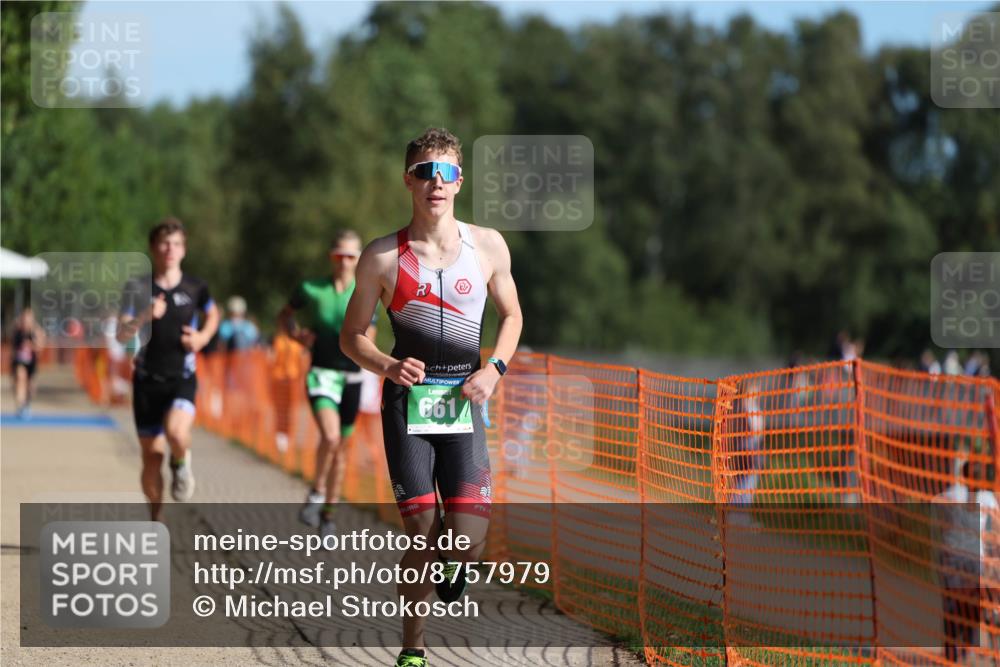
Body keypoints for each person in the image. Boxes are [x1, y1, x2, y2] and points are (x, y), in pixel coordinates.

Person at [340, 127, 523, 667]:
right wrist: (389, 365)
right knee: (421, 531)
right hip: (408, 405)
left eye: (444, 173)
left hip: (466, 401)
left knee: (465, 542)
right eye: (424, 172)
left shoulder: (487, 245)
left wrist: (495, 369)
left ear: (459, 181)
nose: (434, 183)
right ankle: (413, 649)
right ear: (408, 181)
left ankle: (449, 553)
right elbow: (351, 338)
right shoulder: (381, 256)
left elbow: (512, 316)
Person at [117, 218, 219, 521]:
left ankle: (181, 462)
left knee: (176, 432)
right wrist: (145, 317)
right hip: (147, 380)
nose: (169, 249)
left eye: (175, 243)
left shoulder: (196, 287)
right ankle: (155, 522)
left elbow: (213, 315)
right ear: (153, 248)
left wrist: (202, 337)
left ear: (184, 249)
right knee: (151, 458)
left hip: (182, 378)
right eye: (164, 243)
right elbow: (122, 334)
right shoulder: (136, 287)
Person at [279, 230, 376, 537]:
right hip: (321, 373)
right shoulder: (311, 288)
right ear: (330, 257)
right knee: (331, 438)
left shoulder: (365, 291)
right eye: (339, 255)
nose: (344, 261)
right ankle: (317, 492)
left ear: (359, 259)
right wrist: (296, 335)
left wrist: (371, 357)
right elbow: (285, 315)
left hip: (352, 377)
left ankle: (329, 514)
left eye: (350, 256)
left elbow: (369, 335)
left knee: (341, 450)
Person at [933, 459, 998, 661]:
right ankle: (965, 651)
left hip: (951, 557)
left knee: (951, 607)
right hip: (974, 560)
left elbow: (936, 504)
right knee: (972, 608)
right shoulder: (988, 499)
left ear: (962, 475)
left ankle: (951, 654)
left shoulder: (951, 494)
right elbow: (996, 526)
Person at [10, 307, 45, 418]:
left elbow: (40, 348)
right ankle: (20, 406)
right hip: (19, 361)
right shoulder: (16, 329)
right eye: (24, 319)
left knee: (31, 387)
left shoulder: (37, 331)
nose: (26, 322)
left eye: (28, 319)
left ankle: (27, 404)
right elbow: (12, 346)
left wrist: (31, 345)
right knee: (21, 378)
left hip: (32, 362)